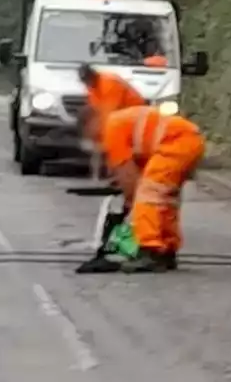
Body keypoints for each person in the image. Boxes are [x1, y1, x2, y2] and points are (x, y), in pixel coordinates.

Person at [82, 105, 206, 273]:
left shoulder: (111, 128)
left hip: (174, 143)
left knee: (148, 195)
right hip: (189, 141)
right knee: (164, 199)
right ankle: (166, 249)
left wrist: (129, 202)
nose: (93, 139)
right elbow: (133, 166)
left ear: (92, 123)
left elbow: (129, 176)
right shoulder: (120, 121)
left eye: (88, 134)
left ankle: (149, 249)